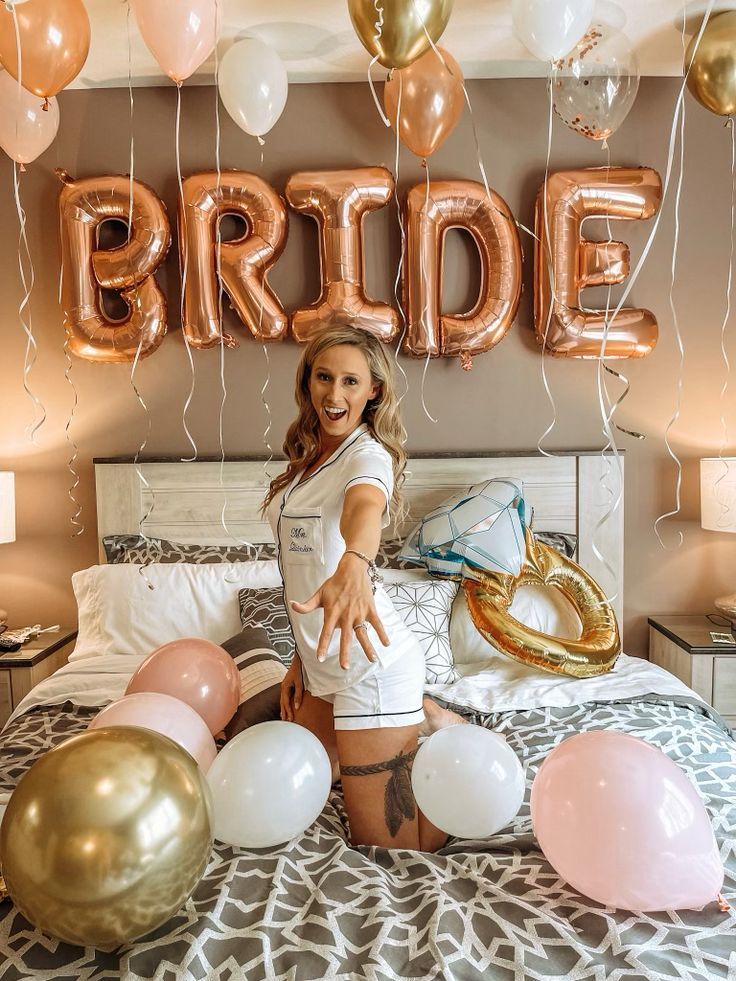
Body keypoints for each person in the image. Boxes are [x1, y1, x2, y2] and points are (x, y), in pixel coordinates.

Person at [263, 324, 463, 851]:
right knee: (303, 779)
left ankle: (455, 751)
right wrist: (299, 660)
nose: (335, 395)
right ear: (308, 383)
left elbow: (364, 507)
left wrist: (355, 562)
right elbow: (304, 569)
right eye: (324, 378)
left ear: (374, 390)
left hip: (371, 667)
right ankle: (422, 714)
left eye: (351, 382)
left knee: (389, 844)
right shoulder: (310, 459)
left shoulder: (365, 455)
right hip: (324, 663)